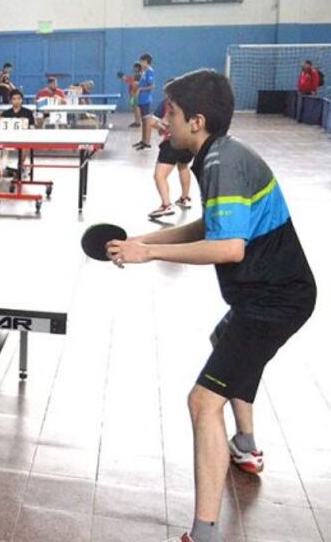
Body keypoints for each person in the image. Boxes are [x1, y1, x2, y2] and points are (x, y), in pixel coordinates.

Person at [106, 69, 316, 542]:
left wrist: (151, 252)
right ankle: (245, 445)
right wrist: (143, 239)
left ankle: (202, 533)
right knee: (225, 341)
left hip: (274, 300)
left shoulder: (220, 162)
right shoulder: (216, 155)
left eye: (171, 113)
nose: (164, 121)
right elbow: (211, 225)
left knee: (203, 404)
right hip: (263, 296)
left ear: (196, 121)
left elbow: (229, 248)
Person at [147, 88, 193, 219]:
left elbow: (153, 122)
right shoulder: (191, 103)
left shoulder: (168, 104)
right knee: (183, 166)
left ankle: (166, 205)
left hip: (172, 142)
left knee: (159, 175)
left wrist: (161, 127)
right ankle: (185, 198)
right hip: (188, 142)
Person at [0, 89, 35, 180]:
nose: (16, 101)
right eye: (14, 99)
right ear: (11, 100)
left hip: (21, 140)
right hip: (6, 140)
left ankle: (19, 169)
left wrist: (29, 131)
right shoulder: (5, 113)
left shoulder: (28, 112)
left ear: (22, 100)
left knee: (26, 147)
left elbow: (32, 127)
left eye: (18, 98)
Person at [133, 53, 156, 149]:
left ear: (146, 62)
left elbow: (152, 86)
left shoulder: (150, 71)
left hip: (146, 100)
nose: (141, 63)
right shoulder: (144, 71)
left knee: (147, 121)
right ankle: (143, 141)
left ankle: (147, 142)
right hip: (141, 100)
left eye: (142, 61)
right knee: (143, 121)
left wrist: (140, 89)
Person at [118, 63, 143, 128]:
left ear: (138, 68)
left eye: (135, 67)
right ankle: (136, 121)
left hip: (135, 94)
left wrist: (125, 78)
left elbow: (135, 84)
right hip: (132, 94)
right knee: (134, 108)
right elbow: (131, 82)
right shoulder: (136, 75)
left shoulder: (139, 75)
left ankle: (138, 122)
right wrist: (125, 78)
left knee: (136, 108)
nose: (133, 69)